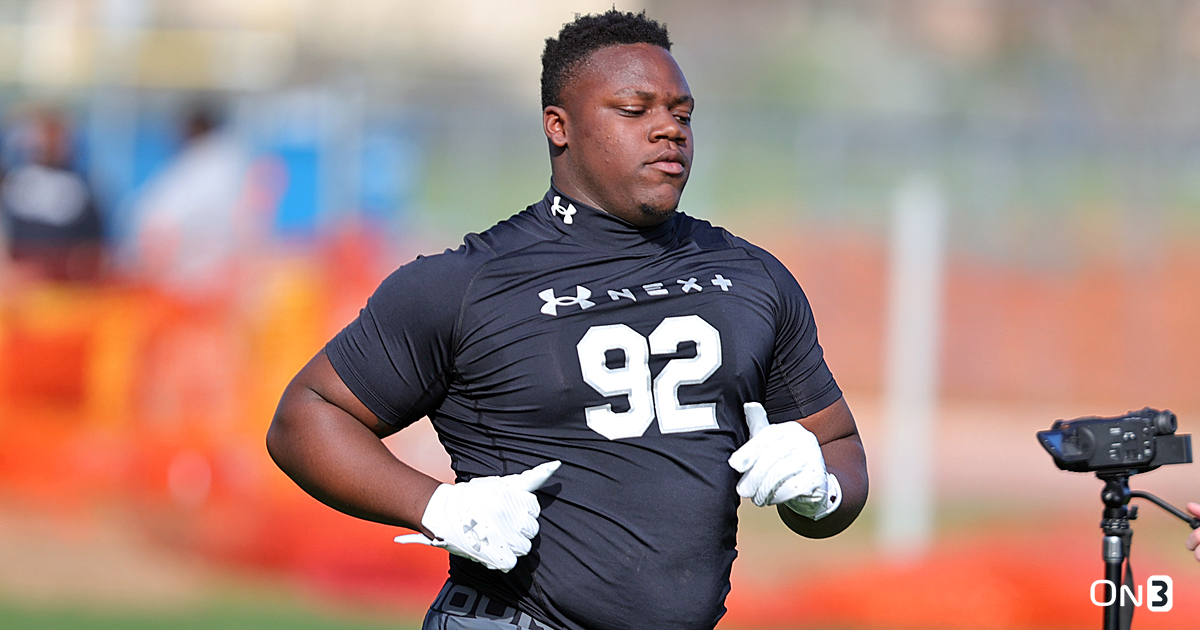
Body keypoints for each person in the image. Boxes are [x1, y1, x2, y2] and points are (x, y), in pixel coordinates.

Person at [267, 10, 868, 630]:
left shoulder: (749, 276)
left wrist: (820, 489)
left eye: (682, 114)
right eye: (634, 110)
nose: (669, 129)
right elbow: (306, 416)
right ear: (560, 126)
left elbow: (838, 444)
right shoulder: (468, 283)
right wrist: (435, 505)